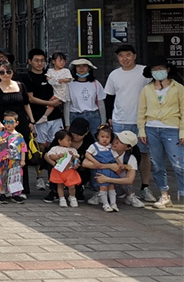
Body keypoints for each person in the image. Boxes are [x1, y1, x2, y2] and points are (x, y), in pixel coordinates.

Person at [104, 44, 155, 202]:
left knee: (144, 154)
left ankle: (145, 187)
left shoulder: (145, 72)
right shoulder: (114, 75)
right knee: (119, 154)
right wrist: (108, 118)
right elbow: (109, 98)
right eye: (121, 56)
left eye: (128, 55)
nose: (124, 58)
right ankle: (122, 189)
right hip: (120, 120)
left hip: (141, 121)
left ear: (134, 56)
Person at [137, 56, 184, 209]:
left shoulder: (178, 88)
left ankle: (182, 192)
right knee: (157, 164)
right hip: (151, 129)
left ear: (168, 69)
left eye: (161, 69)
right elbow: (141, 111)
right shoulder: (147, 89)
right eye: (155, 70)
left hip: (172, 129)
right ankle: (164, 195)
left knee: (179, 164)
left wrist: (182, 132)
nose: (158, 72)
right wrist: (142, 130)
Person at [0, 59, 34, 193]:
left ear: (12, 72)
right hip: (5, 127)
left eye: (8, 72)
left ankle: (21, 189)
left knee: (21, 156)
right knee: (5, 157)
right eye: (2, 72)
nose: (5, 75)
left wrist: (31, 121)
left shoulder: (20, 86)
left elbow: (26, 104)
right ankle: (4, 189)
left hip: (21, 124)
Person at [21, 49, 63, 192]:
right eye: (36, 60)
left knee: (56, 146)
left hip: (55, 117)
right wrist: (50, 103)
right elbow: (30, 98)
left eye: (42, 60)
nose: (40, 63)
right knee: (40, 148)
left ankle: (55, 176)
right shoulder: (27, 77)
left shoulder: (50, 75)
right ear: (30, 61)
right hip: (38, 118)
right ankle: (40, 177)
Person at [85, 124, 121, 212]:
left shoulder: (110, 147)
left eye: (107, 137)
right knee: (103, 187)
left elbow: (116, 157)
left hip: (111, 171)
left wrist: (120, 164)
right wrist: (94, 161)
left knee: (111, 187)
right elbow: (87, 154)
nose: (105, 139)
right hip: (100, 171)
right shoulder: (94, 146)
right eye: (102, 137)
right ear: (98, 136)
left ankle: (113, 203)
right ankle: (105, 204)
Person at [65, 58, 106, 136]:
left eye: (84, 66)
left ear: (89, 68)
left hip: (93, 116)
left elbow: (101, 103)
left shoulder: (96, 83)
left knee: (96, 139)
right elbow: (67, 105)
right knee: (76, 139)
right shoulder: (69, 84)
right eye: (78, 66)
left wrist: (103, 122)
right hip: (75, 116)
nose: (81, 68)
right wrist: (67, 124)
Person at [0, 111, 27, 204]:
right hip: (4, 160)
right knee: (3, 176)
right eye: (5, 122)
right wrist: (1, 141)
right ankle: (2, 193)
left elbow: (23, 148)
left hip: (16, 160)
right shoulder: (2, 134)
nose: (8, 124)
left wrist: (23, 160)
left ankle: (15, 194)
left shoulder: (19, 136)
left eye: (11, 122)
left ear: (16, 123)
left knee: (16, 176)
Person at [45, 129, 81, 208]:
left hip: (69, 170)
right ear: (60, 141)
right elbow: (50, 156)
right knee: (60, 185)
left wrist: (74, 157)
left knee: (72, 185)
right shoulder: (55, 148)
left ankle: (72, 197)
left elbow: (76, 158)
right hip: (59, 169)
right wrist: (58, 156)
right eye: (68, 140)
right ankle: (61, 198)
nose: (70, 142)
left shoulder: (72, 150)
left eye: (70, 140)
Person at [46, 52, 73, 123]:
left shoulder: (66, 71)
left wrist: (63, 80)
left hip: (62, 91)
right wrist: (51, 80)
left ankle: (45, 116)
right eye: (60, 61)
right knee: (51, 103)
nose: (62, 63)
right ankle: (45, 116)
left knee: (53, 102)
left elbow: (69, 79)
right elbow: (48, 78)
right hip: (54, 90)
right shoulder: (50, 71)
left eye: (64, 61)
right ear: (53, 61)